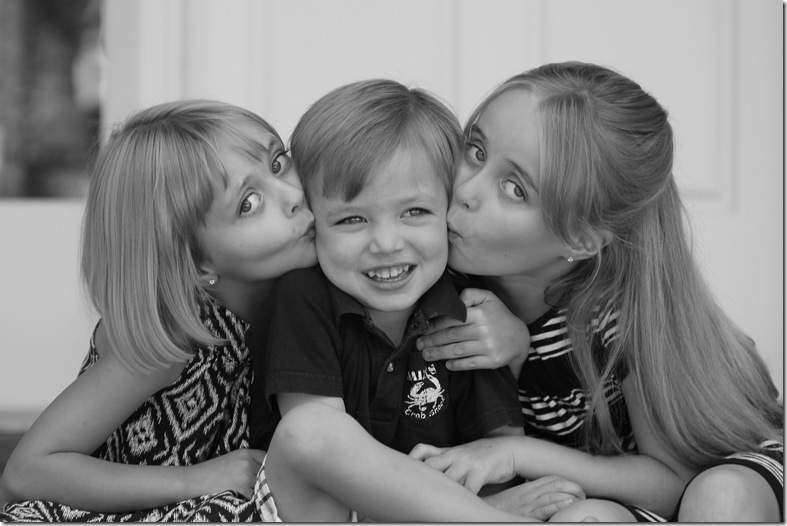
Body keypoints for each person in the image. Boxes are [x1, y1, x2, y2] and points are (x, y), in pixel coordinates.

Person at [411, 61, 784, 522]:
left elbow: (671, 483)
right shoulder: (431, 277)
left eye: (514, 188)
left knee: (719, 498)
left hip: (705, 473)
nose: (465, 189)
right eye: (476, 150)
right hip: (590, 499)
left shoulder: (621, 315)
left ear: (579, 239)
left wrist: (512, 453)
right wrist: (514, 358)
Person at [247, 79, 557, 522]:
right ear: (314, 223)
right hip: (318, 514)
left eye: (414, 212)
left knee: (583, 509)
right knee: (309, 429)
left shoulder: (465, 310)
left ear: (449, 210)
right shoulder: (302, 298)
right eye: (352, 219)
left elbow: (497, 457)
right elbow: (320, 454)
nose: (387, 244)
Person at [0, 100, 317, 522]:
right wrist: (196, 480)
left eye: (278, 163)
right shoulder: (176, 335)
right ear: (197, 264)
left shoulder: (306, 289)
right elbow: (26, 472)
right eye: (248, 203)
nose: (294, 195)